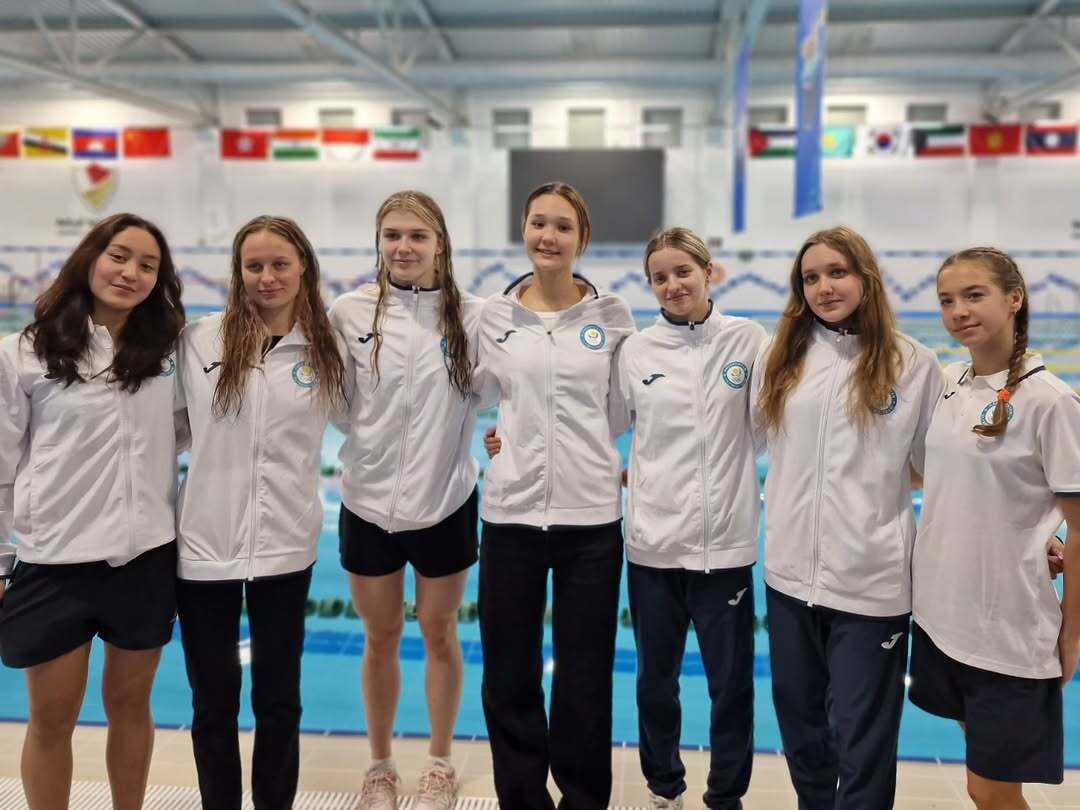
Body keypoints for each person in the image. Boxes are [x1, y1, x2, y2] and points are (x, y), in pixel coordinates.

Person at [751, 226, 944, 809]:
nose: (824, 287)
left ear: (866, 277)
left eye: (837, 272)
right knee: (802, 731)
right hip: (789, 578)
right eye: (811, 278)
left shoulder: (913, 364)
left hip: (871, 584)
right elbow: (747, 443)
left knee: (864, 742)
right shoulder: (782, 355)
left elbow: (935, 468)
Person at [0, 213, 185, 810]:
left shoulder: (168, 353)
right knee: (52, 719)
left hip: (143, 557)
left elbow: (189, 428)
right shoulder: (25, 353)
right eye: (119, 256)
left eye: (148, 265)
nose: (131, 273)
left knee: (131, 707)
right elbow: (1, 464)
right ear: (90, 259)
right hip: (54, 560)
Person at [174, 215, 348, 810]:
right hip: (204, 547)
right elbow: (160, 429)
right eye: (254, 266)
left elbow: (374, 423)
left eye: (279, 264)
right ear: (238, 272)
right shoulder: (200, 341)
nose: (267, 277)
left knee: (278, 702)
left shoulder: (327, 349)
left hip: (286, 547)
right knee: (212, 703)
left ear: (304, 269)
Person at [475, 181, 635, 810]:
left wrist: (575, 444)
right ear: (524, 230)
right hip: (511, 515)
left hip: (590, 519)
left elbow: (620, 410)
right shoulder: (494, 317)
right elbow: (479, 395)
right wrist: (506, 439)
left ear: (581, 239)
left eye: (563, 226)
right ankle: (521, 799)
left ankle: (584, 800)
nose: (549, 236)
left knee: (585, 676)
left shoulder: (611, 317)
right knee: (507, 673)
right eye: (538, 223)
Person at [910, 247, 1080, 810]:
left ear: (1014, 298)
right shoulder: (949, 384)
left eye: (974, 295)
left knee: (990, 792)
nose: (958, 311)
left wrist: (1071, 637)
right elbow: (938, 477)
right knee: (982, 782)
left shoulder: (1051, 402)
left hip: (1009, 632)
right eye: (946, 300)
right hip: (943, 619)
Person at [329, 191, 483, 810]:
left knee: (440, 632)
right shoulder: (350, 312)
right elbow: (339, 403)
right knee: (380, 635)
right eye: (392, 235)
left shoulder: (472, 317)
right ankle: (380, 767)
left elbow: (499, 392)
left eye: (417, 235)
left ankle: (440, 764)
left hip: (445, 500)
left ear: (440, 243)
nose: (404, 247)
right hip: (366, 502)